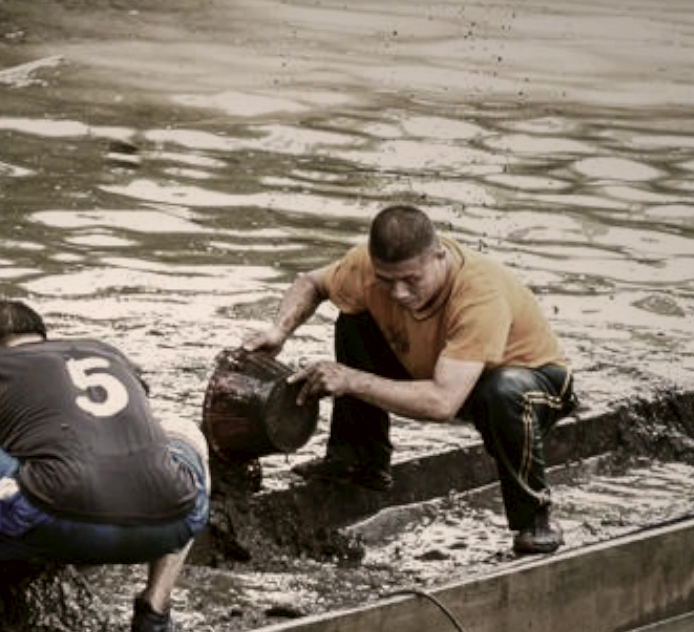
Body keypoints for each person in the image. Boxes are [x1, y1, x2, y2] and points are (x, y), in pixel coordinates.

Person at [242, 204, 576, 555]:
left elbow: (442, 404)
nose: (399, 292)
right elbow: (312, 283)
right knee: (354, 320)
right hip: (444, 368)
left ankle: (535, 518)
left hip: (532, 386)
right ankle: (359, 461)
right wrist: (279, 331)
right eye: (387, 281)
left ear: (439, 257)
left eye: (411, 280)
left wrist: (351, 380)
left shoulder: (479, 293)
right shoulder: (365, 267)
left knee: (503, 391)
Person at [0, 300, 211, 632]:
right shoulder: (107, 353)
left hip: (54, 515)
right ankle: (154, 616)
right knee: (186, 433)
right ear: (43, 338)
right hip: (171, 521)